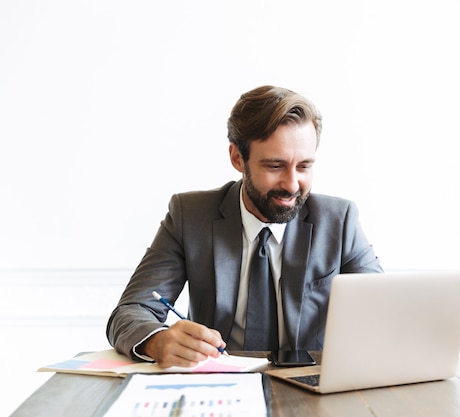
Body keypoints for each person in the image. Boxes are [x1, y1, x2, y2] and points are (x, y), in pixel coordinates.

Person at [106, 85, 383, 368]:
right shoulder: (189, 216)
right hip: (218, 384)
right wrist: (158, 341)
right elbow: (130, 312)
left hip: (311, 381)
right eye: (275, 166)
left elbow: (384, 309)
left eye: (304, 167)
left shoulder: (339, 220)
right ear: (238, 158)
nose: (291, 184)